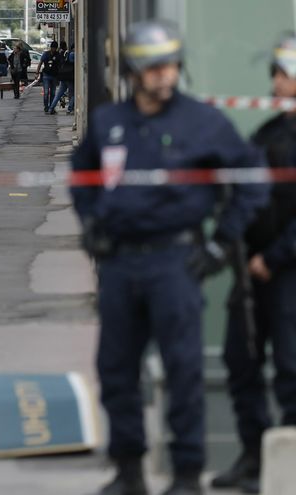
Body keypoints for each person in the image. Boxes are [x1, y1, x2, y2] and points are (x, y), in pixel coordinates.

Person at [70, 21, 268, 495]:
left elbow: (252, 181)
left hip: (175, 262)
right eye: (155, 66)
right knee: (116, 369)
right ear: (134, 70)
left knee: (183, 369)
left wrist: (221, 243)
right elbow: (82, 174)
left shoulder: (203, 122)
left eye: (171, 64)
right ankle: (129, 471)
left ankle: (185, 474)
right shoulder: (109, 122)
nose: (165, 74)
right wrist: (92, 223)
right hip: (119, 264)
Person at [210, 37, 296, 495]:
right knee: (240, 360)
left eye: (283, 75)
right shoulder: (268, 132)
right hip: (252, 270)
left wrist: (274, 257)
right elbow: (244, 192)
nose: (275, 83)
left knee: (291, 368)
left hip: (286, 272)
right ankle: (254, 458)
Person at [48, 42, 75, 115]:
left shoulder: (65, 53)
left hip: (63, 76)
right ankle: (70, 109)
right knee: (73, 94)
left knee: (59, 94)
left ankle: (51, 108)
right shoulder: (73, 54)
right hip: (69, 77)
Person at [36, 41, 61, 114]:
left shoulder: (58, 55)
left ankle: (51, 107)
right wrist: (37, 72)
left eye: (55, 48)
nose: (54, 49)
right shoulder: (46, 54)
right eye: (53, 48)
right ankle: (46, 107)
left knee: (53, 93)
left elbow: (60, 65)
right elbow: (40, 63)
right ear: (51, 47)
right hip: (46, 75)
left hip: (54, 76)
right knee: (46, 92)